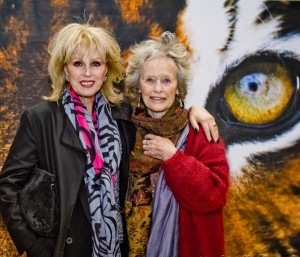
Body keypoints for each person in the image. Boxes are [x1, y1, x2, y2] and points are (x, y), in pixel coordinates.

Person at [0, 21, 219, 257]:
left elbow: (161, 115)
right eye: (77, 64)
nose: (87, 73)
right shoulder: (40, 119)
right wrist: (35, 247)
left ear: (106, 70)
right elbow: (7, 186)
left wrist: (194, 111)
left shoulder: (122, 114)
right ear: (65, 69)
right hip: (65, 249)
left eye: (95, 64)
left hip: (117, 248)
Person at [124, 31, 229, 257]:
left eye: (166, 80)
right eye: (150, 80)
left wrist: (173, 158)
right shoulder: (125, 129)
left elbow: (215, 193)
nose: (158, 89)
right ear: (138, 85)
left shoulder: (201, 131)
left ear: (179, 87)